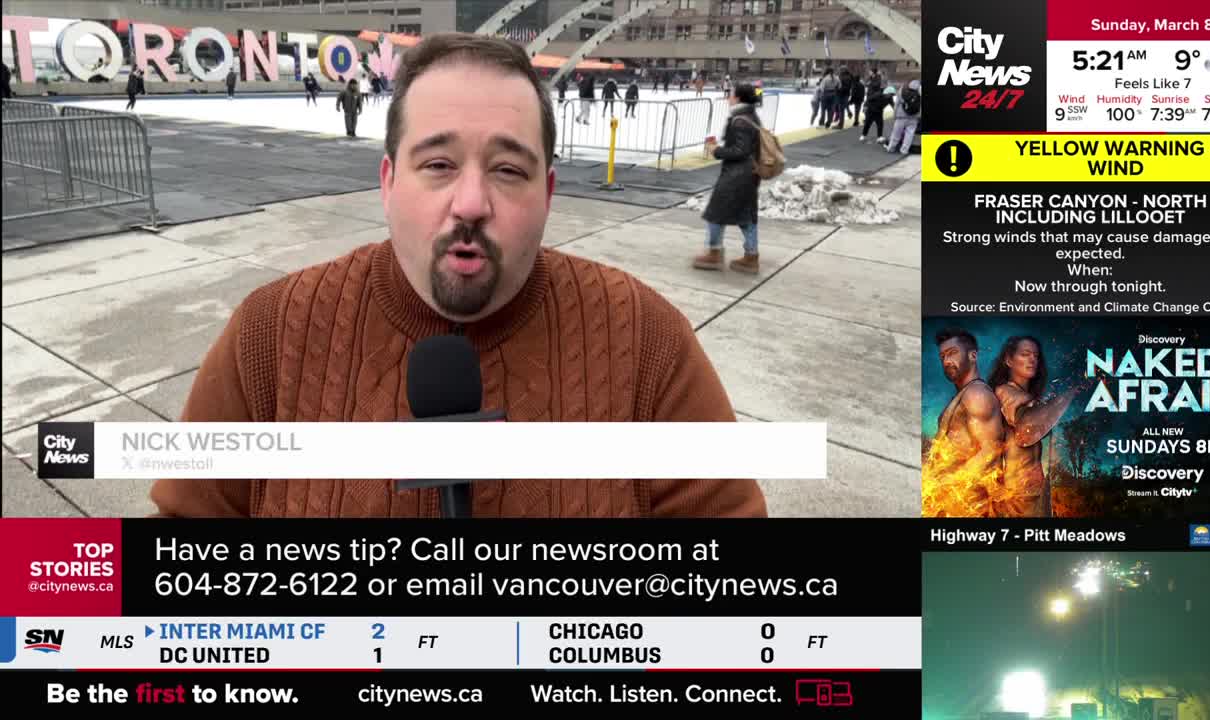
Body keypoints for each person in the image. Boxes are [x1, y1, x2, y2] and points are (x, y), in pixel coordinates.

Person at [148, 33, 766, 519]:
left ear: (548, 193)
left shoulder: (647, 342)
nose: (470, 202)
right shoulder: (269, 334)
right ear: (388, 182)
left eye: (507, 170)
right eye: (438, 164)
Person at [988, 336, 1084, 518]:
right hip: (1019, 495)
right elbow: (1026, 433)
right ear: (1009, 360)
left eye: (1036, 356)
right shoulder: (1005, 392)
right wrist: (1073, 391)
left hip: (1034, 490)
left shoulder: (1026, 396)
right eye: (1025, 354)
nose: (1032, 359)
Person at [922, 328, 1005, 517]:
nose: (946, 361)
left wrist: (946, 484)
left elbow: (990, 450)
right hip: (948, 503)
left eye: (952, 353)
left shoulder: (977, 394)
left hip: (969, 506)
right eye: (942, 356)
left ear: (973, 355)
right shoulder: (962, 396)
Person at [693, 84, 764, 276]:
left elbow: (741, 150)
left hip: (736, 176)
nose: (728, 98)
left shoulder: (740, 121)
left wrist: (717, 150)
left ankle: (714, 253)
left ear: (739, 98)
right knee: (746, 217)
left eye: (731, 95)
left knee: (715, 213)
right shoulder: (750, 117)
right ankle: (751, 257)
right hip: (748, 175)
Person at [886, 79, 921, 155]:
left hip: (901, 116)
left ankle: (891, 148)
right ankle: (904, 150)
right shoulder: (919, 90)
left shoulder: (902, 89)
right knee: (909, 134)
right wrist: (919, 115)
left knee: (896, 133)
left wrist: (895, 115)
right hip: (914, 117)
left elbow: (897, 104)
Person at [834, 65, 854, 129]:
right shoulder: (849, 76)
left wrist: (837, 89)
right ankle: (847, 113)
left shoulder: (843, 76)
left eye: (840, 69)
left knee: (841, 110)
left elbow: (842, 86)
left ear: (843, 70)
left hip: (841, 94)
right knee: (843, 107)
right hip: (846, 94)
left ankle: (840, 124)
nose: (839, 70)